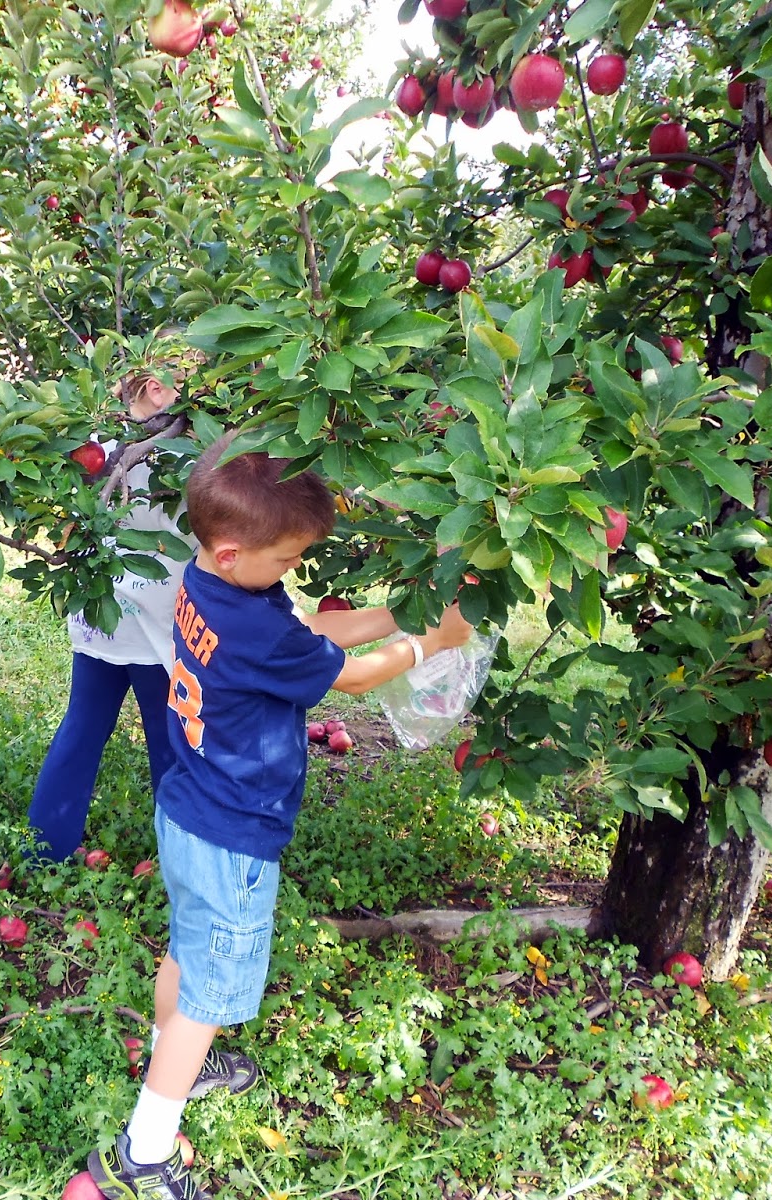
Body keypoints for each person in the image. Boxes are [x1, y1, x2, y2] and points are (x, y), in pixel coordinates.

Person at [85, 434, 476, 1199]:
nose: (292, 572)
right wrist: (431, 641)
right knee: (208, 992)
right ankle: (144, 1154)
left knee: (186, 952)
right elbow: (355, 681)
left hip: (189, 807)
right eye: (289, 561)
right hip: (232, 833)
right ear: (234, 551)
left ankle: (176, 1061)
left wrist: (394, 613)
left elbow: (309, 639)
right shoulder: (255, 620)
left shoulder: (207, 584)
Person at [25, 342, 200, 863]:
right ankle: (182, 862)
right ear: (156, 388)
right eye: (195, 384)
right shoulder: (186, 451)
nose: (204, 399)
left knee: (82, 728)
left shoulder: (95, 446)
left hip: (100, 614)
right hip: (159, 622)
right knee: (169, 743)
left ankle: (43, 850)